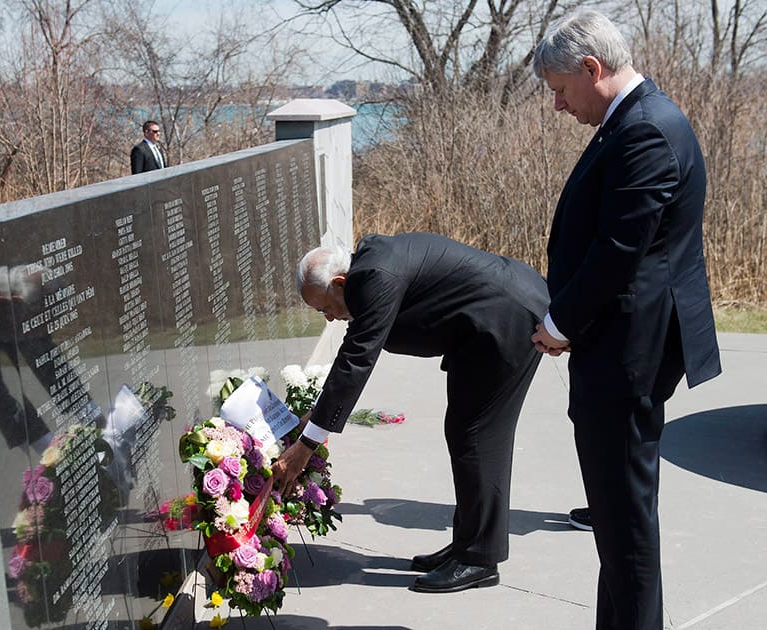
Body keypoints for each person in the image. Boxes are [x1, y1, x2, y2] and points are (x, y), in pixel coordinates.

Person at [530, 11, 721, 629]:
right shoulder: (636, 120)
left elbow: (620, 251)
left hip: (626, 356)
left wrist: (560, 324)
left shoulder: (645, 130)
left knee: (627, 529)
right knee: (617, 524)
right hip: (622, 349)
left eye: (561, 89)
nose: (558, 106)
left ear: (592, 69)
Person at [272, 233, 549, 593]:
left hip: (506, 322)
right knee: (464, 434)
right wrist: (318, 415)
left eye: (325, 308)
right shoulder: (368, 271)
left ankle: (479, 560)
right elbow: (353, 357)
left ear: (341, 283)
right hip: (481, 330)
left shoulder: (375, 279)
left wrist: (307, 445)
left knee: (479, 438)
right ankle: (468, 545)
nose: (328, 318)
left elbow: (357, 359)